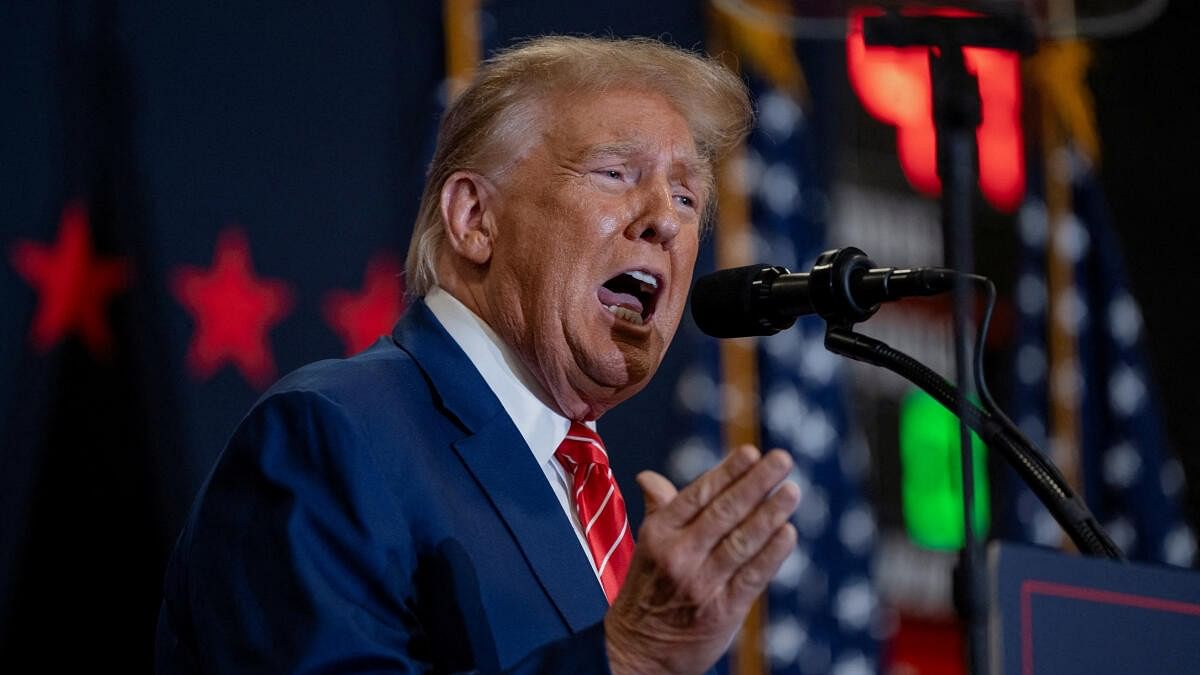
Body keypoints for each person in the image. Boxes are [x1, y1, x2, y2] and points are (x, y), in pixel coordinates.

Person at [156, 35, 801, 674]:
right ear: (474, 218)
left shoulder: (587, 496)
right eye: (614, 173)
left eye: (688, 198)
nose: (665, 219)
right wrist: (627, 657)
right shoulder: (332, 433)